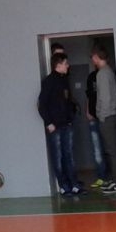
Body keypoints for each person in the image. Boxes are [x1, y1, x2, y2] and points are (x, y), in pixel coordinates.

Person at [37, 51, 82, 197]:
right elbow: (42, 105)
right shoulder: (49, 81)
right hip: (55, 126)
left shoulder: (65, 80)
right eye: (65, 63)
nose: (68, 66)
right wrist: (49, 123)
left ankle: (74, 185)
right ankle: (63, 186)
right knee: (58, 157)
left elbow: (67, 100)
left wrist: (71, 115)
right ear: (58, 65)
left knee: (69, 155)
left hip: (67, 124)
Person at [91, 44, 116, 194]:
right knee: (113, 149)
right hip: (112, 115)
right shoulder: (109, 71)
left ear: (96, 57)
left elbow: (105, 98)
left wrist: (101, 115)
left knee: (112, 150)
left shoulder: (102, 74)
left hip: (108, 116)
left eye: (92, 57)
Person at [85, 65, 110, 189]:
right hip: (93, 117)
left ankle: (113, 177)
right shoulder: (91, 77)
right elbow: (88, 96)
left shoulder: (108, 74)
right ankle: (102, 177)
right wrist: (87, 111)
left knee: (110, 147)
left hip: (105, 117)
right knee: (97, 149)